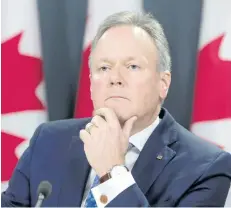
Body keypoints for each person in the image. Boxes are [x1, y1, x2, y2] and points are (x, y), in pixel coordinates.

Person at [2, 11, 231, 207]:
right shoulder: (48, 141)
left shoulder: (206, 168)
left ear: (163, 83)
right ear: (91, 83)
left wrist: (112, 172)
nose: (115, 78)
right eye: (104, 67)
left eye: (132, 66)